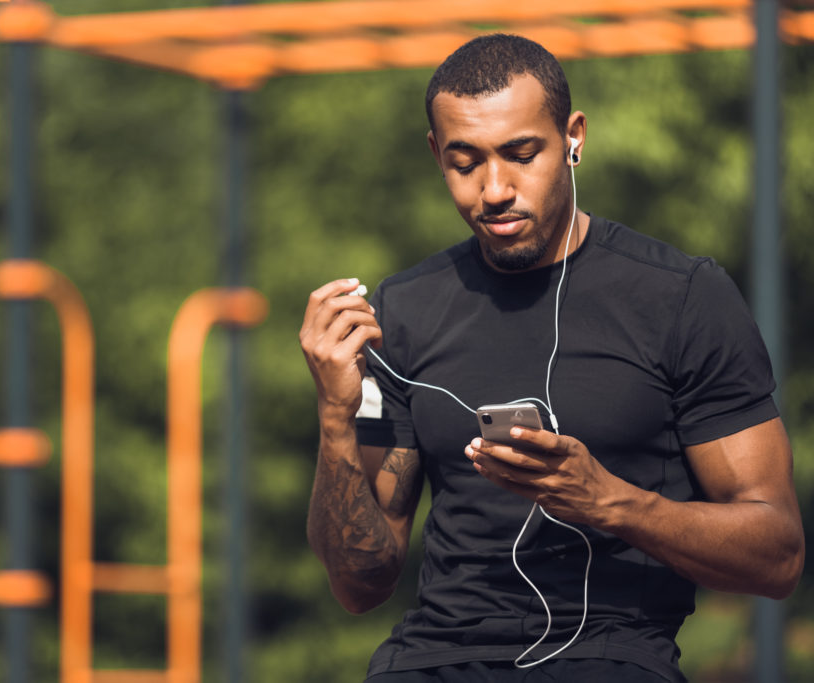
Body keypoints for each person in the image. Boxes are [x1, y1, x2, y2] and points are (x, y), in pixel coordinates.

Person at [299, 34, 804, 682]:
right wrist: (336, 416)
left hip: (610, 657)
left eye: (521, 153)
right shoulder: (405, 310)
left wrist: (608, 501)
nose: (494, 188)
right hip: (430, 659)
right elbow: (359, 585)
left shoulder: (680, 297)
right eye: (465, 161)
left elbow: (778, 556)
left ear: (573, 138)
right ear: (435, 154)